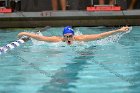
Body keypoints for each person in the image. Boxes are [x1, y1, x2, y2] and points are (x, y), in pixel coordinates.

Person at [18, 26, 130, 45]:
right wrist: (25, 33)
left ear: (73, 35)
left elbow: (100, 35)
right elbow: (40, 38)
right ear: (63, 36)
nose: (68, 39)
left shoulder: (80, 38)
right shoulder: (57, 40)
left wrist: (119, 30)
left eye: (69, 36)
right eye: (66, 36)